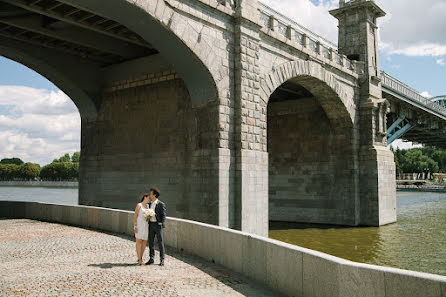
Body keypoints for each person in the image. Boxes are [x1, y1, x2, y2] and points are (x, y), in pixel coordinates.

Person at [145, 187, 166, 266]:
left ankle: (162, 259)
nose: (149, 195)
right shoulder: (149, 204)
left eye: (150, 194)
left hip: (157, 225)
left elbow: (163, 215)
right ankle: (151, 258)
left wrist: (161, 223)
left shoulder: (160, 204)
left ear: (154, 195)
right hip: (151, 224)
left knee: (160, 242)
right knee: (150, 242)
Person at [133, 194, 150, 265]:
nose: (149, 200)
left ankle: (140, 257)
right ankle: (139, 259)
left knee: (144, 242)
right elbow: (135, 216)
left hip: (146, 226)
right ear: (145, 197)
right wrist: (135, 226)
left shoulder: (148, 206)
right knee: (139, 241)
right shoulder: (139, 205)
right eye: (149, 198)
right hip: (139, 226)